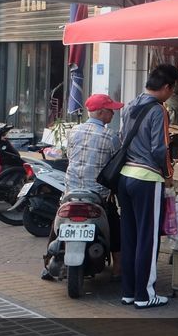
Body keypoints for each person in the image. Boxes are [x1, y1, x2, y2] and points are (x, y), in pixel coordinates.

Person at [117, 63, 178, 309]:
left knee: (130, 236)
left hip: (124, 177)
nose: (171, 94)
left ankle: (129, 292)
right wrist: (168, 173)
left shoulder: (130, 105)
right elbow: (160, 148)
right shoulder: (158, 111)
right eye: (172, 90)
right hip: (146, 179)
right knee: (148, 238)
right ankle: (145, 295)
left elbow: (122, 138)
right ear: (166, 87)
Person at [44, 93, 125, 280]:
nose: (113, 114)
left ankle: (48, 261)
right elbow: (115, 163)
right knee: (114, 222)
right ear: (102, 112)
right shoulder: (110, 136)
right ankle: (118, 267)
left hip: (71, 192)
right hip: (96, 195)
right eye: (111, 111)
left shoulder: (73, 132)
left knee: (58, 218)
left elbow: (71, 155)